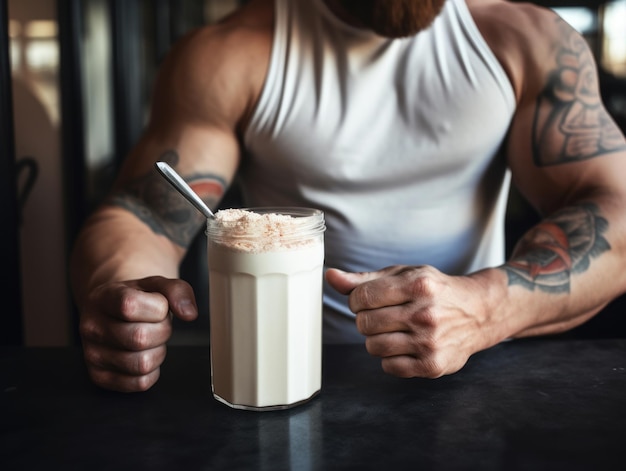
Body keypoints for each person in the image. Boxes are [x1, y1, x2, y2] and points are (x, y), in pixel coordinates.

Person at [70, 0, 626, 392]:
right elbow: (146, 214)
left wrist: (485, 308)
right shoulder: (230, 53)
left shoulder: (528, 42)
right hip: (274, 379)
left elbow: (613, 208)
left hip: (468, 369)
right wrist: (122, 295)